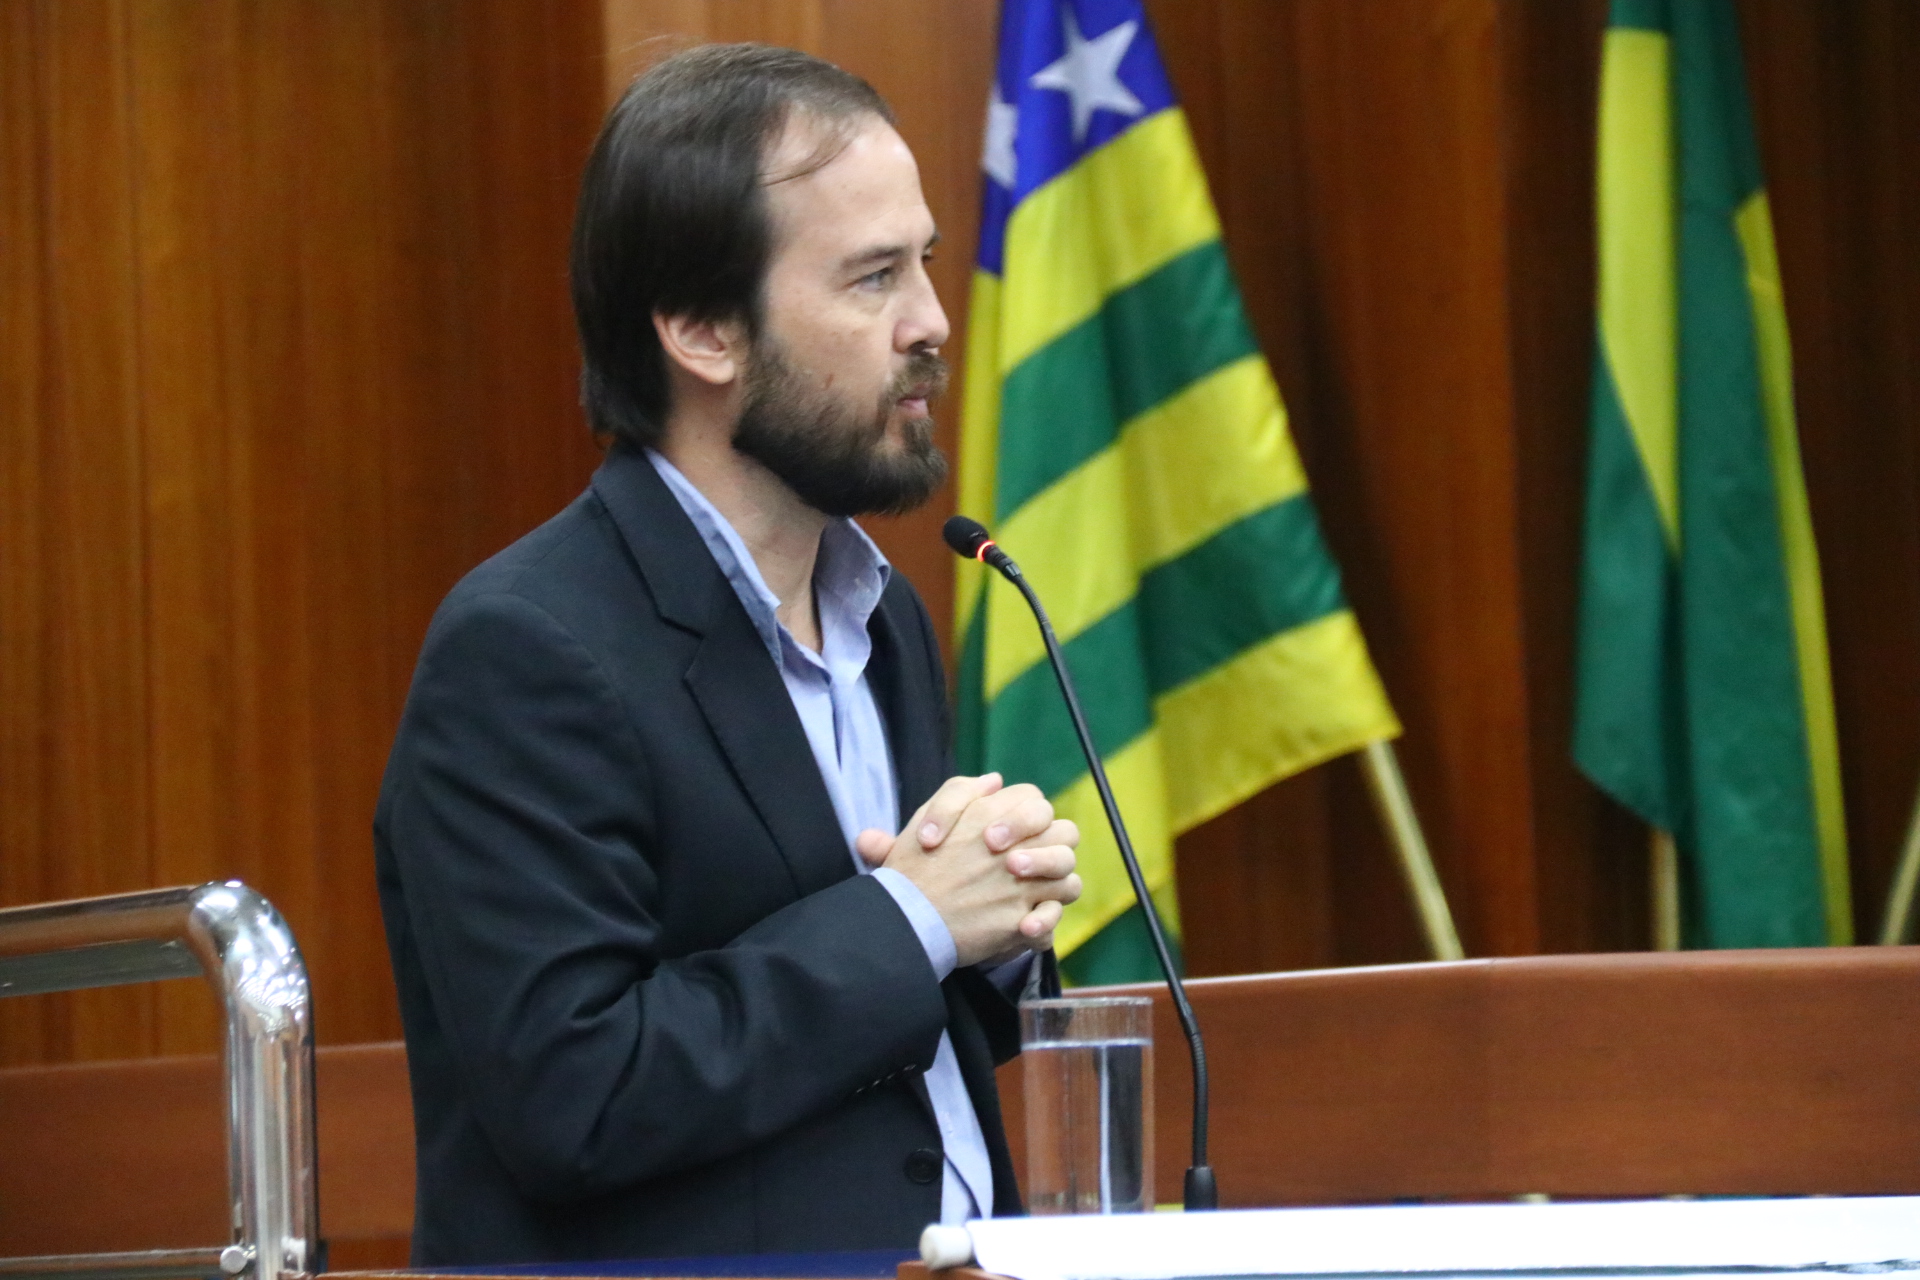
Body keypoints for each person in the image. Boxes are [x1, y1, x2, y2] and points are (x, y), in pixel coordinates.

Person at [373, 43, 1083, 1266]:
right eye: (873, 277)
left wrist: (996, 922)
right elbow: (574, 1091)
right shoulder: (527, 647)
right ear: (703, 330)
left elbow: (890, 1032)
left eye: (923, 260)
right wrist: (914, 915)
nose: (931, 319)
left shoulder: (885, 612)